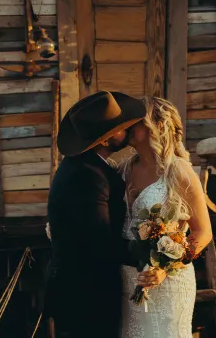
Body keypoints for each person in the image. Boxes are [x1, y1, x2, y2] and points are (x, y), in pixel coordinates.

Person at [45, 91, 164, 338]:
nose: (127, 129)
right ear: (107, 139)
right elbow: (99, 241)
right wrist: (154, 254)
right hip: (87, 295)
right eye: (120, 127)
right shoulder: (90, 175)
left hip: (80, 289)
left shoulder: (85, 166)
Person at [119, 97, 214, 338]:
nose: (128, 126)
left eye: (137, 121)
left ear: (158, 126)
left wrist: (165, 267)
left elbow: (203, 232)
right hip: (129, 279)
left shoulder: (178, 171)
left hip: (169, 283)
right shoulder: (123, 170)